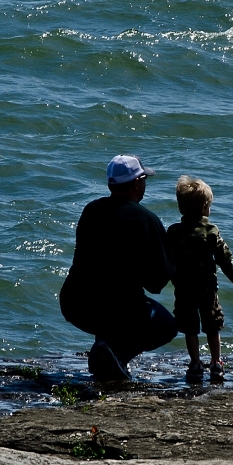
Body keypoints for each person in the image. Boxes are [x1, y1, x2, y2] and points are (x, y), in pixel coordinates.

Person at [60, 154, 178, 381]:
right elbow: (156, 283)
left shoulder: (91, 210)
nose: (145, 184)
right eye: (144, 179)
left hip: (76, 303)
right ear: (136, 183)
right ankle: (116, 353)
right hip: (118, 309)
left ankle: (106, 348)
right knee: (166, 325)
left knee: (106, 300)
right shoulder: (146, 220)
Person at [167, 175, 233, 382]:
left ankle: (194, 363)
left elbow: (167, 259)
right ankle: (216, 363)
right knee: (212, 325)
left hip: (183, 289)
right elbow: (224, 257)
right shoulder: (211, 231)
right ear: (204, 208)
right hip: (207, 289)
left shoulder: (174, 232)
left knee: (190, 327)